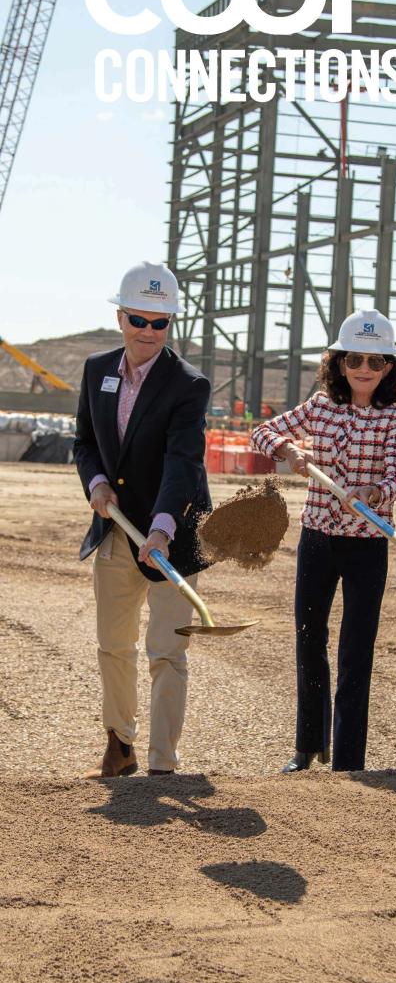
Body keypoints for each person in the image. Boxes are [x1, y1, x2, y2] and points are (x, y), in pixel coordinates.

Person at [250, 309, 396, 773]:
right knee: (309, 639)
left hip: (368, 545)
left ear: (390, 369)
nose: (364, 368)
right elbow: (262, 432)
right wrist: (288, 450)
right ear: (339, 363)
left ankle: (348, 761)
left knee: (356, 651)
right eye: (355, 358)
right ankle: (307, 747)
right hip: (317, 540)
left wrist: (375, 493)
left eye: (376, 361)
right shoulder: (320, 406)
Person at [74, 261, 211, 777]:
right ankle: (120, 746)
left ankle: (163, 763)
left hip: (172, 531)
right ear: (120, 316)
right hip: (115, 526)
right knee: (113, 643)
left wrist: (162, 528)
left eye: (161, 322)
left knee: (167, 651)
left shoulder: (189, 385)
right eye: (139, 319)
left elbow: (183, 462)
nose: (149, 332)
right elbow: (84, 442)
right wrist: (96, 484)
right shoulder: (96, 370)